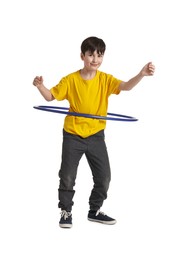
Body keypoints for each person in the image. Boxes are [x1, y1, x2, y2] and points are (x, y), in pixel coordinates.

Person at [33, 36, 155, 228]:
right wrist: (40, 86)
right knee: (67, 175)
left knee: (104, 176)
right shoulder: (71, 80)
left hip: (96, 135)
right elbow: (50, 97)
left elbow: (126, 87)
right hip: (73, 134)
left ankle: (94, 211)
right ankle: (66, 211)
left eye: (99, 55)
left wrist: (141, 74)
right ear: (82, 56)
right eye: (90, 55)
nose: (95, 59)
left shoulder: (105, 80)